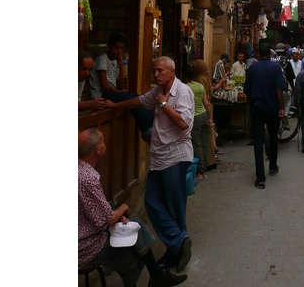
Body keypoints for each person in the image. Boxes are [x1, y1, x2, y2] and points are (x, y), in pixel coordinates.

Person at [106, 56, 195, 272]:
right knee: (153, 201)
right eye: (154, 70)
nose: (156, 74)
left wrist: (164, 105)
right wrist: (116, 104)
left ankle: (176, 251)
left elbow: (184, 124)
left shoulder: (183, 92)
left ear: (172, 72)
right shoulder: (156, 92)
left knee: (174, 207)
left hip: (175, 157)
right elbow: (139, 101)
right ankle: (179, 242)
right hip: (159, 159)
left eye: (160, 71)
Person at [78, 127, 187, 287]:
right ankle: (156, 277)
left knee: (135, 226)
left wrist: (115, 216)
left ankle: (157, 277)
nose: (105, 145)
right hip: (85, 246)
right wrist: (122, 208)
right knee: (133, 252)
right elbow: (106, 220)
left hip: (85, 234)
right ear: (98, 149)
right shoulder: (88, 179)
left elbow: (97, 213)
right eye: (103, 142)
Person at [89, 34, 153, 141]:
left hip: (113, 93)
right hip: (102, 96)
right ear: (109, 46)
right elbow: (105, 86)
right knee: (133, 100)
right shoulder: (102, 60)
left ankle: (152, 126)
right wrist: (119, 92)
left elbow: (120, 85)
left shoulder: (115, 61)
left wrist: (119, 65)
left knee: (138, 98)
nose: (119, 51)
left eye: (121, 48)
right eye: (116, 47)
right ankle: (147, 129)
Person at [243, 42, 286, 189]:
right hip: (272, 108)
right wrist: (281, 107)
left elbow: (247, 91)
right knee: (273, 137)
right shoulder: (276, 68)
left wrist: (251, 106)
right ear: (270, 53)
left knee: (258, 141)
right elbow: (279, 89)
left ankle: (260, 177)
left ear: (259, 54)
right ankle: (273, 166)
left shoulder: (252, 68)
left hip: (257, 108)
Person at [184, 64, 213, 180]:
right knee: (205, 144)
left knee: (197, 145)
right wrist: (210, 118)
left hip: (194, 117)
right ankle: (203, 170)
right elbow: (207, 104)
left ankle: (199, 172)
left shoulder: (185, 87)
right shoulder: (200, 86)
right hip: (203, 115)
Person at [192, 59, 222, 158]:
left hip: (203, 108)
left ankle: (207, 159)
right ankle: (211, 155)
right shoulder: (206, 78)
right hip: (207, 107)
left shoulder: (200, 80)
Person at [271, 43, 296, 130]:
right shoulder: (286, 60)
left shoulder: (270, 60)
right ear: (284, 51)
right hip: (282, 89)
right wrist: (293, 90)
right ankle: (285, 121)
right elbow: (290, 78)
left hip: (271, 90)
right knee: (287, 101)